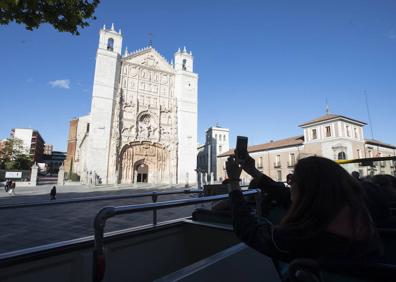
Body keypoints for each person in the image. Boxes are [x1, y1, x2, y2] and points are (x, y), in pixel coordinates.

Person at [226, 153, 382, 262]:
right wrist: (253, 172)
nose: (289, 182)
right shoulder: (357, 216)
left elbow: (248, 230)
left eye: (293, 178)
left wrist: (233, 182)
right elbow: (286, 196)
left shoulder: (301, 236)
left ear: (308, 188)